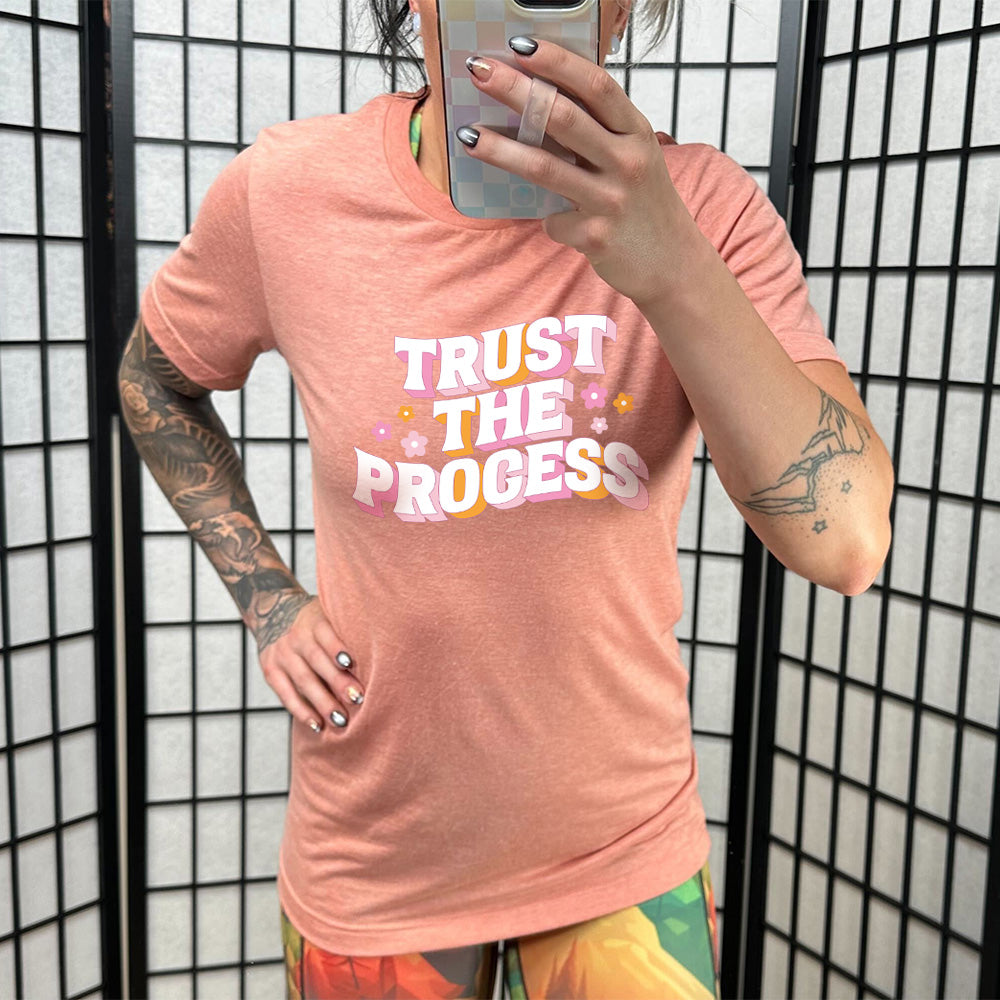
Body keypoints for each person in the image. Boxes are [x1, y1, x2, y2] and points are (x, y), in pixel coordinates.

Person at [119, 0, 894, 994]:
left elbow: (847, 542)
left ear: (624, 8)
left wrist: (671, 263)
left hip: (624, 854)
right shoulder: (288, 192)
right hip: (376, 866)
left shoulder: (707, 210)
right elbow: (155, 380)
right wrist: (269, 600)